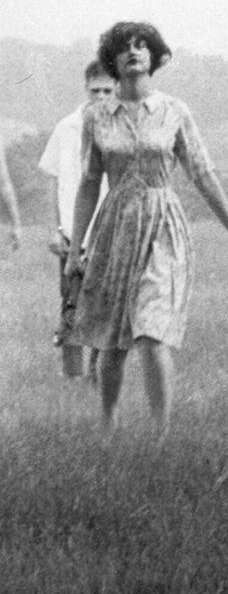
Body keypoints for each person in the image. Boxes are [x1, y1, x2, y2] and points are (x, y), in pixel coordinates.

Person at [65, 22, 228, 430]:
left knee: (151, 332)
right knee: (113, 338)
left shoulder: (174, 111)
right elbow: (89, 184)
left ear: (153, 56)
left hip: (164, 225)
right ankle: (108, 425)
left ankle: (161, 437)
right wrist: (76, 248)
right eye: (124, 47)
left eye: (141, 46)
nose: (133, 52)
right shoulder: (96, 117)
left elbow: (202, 172)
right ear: (113, 61)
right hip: (115, 228)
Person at [38, 59, 115, 378]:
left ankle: (97, 377)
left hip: (109, 233)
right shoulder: (66, 128)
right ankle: (73, 378)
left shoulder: (122, 128)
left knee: (105, 309)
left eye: (107, 90)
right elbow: (52, 180)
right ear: (86, 88)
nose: (101, 96)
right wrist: (54, 230)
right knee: (71, 306)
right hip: (72, 235)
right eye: (95, 90)